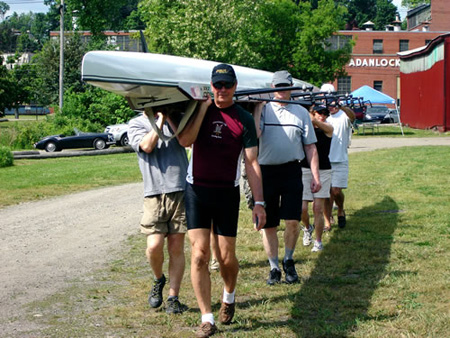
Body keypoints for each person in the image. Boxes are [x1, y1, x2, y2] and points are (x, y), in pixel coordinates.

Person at [178, 63, 266, 338]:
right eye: (218, 85)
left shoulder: (244, 119)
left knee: (226, 258)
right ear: (211, 86)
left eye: (227, 85)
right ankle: (207, 317)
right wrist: (203, 108)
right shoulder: (199, 111)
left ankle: (229, 294)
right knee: (200, 254)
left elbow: (251, 162)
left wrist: (259, 203)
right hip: (196, 191)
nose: (223, 90)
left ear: (235, 87)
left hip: (227, 192)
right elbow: (185, 140)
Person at [253, 70, 320, 285]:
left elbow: (310, 146)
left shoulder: (300, 112)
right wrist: (257, 109)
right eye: (278, 87)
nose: (282, 91)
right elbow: (254, 135)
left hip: (292, 170)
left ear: (291, 88)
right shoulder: (263, 109)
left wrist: (315, 175)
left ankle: (288, 260)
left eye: (285, 87)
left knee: (293, 220)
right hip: (266, 171)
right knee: (268, 223)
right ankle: (273, 266)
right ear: (272, 87)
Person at [127, 110, 188, 315]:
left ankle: (173, 297)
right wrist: (160, 119)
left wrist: (170, 116)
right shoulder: (136, 124)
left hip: (180, 189)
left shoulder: (176, 120)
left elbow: (186, 141)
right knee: (154, 246)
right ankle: (158, 279)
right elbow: (147, 145)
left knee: (176, 247)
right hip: (153, 194)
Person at [301, 105, 334, 251]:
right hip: (304, 168)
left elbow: (323, 126)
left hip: (323, 170)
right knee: (302, 208)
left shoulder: (328, 128)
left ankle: (318, 241)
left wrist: (312, 118)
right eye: (319, 113)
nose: (322, 115)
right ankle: (307, 228)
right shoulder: (305, 128)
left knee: (317, 208)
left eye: (325, 113)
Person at [325, 100, 355, 229]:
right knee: (328, 193)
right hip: (326, 160)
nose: (330, 107)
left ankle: (340, 209)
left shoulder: (343, 116)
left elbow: (352, 116)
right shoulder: (324, 117)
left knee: (336, 191)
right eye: (329, 105)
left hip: (340, 159)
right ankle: (328, 217)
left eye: (333, 105)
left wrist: (341, 106)